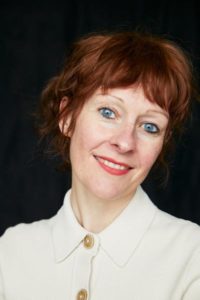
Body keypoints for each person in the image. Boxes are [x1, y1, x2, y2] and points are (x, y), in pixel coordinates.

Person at [0, 31, 200, 300]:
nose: (125, 142)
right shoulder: (11, 251)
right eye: (108, 112)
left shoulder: (192, 255)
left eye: (149, 127)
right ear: (67, 117)